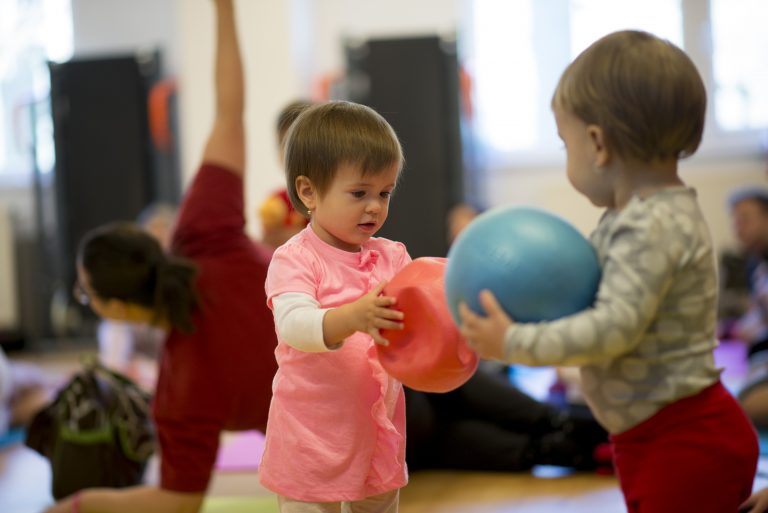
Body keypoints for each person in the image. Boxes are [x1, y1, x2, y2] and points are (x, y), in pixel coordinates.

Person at [457, 30, 758, 513]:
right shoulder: (633, 218)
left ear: (597, 144)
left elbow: (613, 328)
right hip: (652, 437)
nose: (567, 158)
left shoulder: (652, 224)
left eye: (565, 144)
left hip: (683, 443)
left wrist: (514, 342)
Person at [43, 1, 277, 512]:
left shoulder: (179, 391)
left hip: (384, 432)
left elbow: (178, 504)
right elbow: (229, 112)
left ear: (118, 308)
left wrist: (79, 504)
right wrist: (223, 12)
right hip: (390, 353)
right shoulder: (200, 231)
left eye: (87, 292)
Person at [262, 101, 409, 512]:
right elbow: (294, 325)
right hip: (310, 437)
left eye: (384, 192)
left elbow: (422, 314)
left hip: (378, 429)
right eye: (359, 193)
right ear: (308, 191)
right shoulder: (295, 259)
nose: (375, 206)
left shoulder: (392, 256)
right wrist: (354, 316)